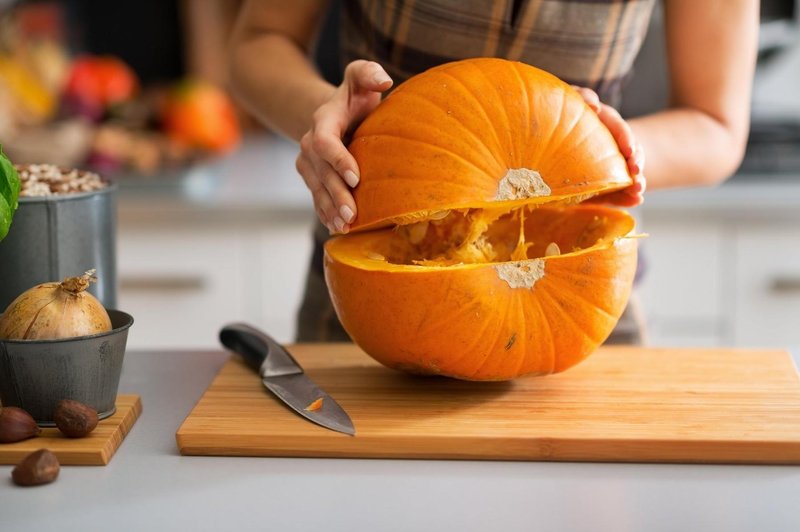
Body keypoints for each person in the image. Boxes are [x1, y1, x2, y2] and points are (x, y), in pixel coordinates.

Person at [228, 0, 759, 343]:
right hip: (364, 311)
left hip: (578, 311)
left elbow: (716, 125)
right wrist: (327, 115)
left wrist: (609, 152)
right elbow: (259, 41)